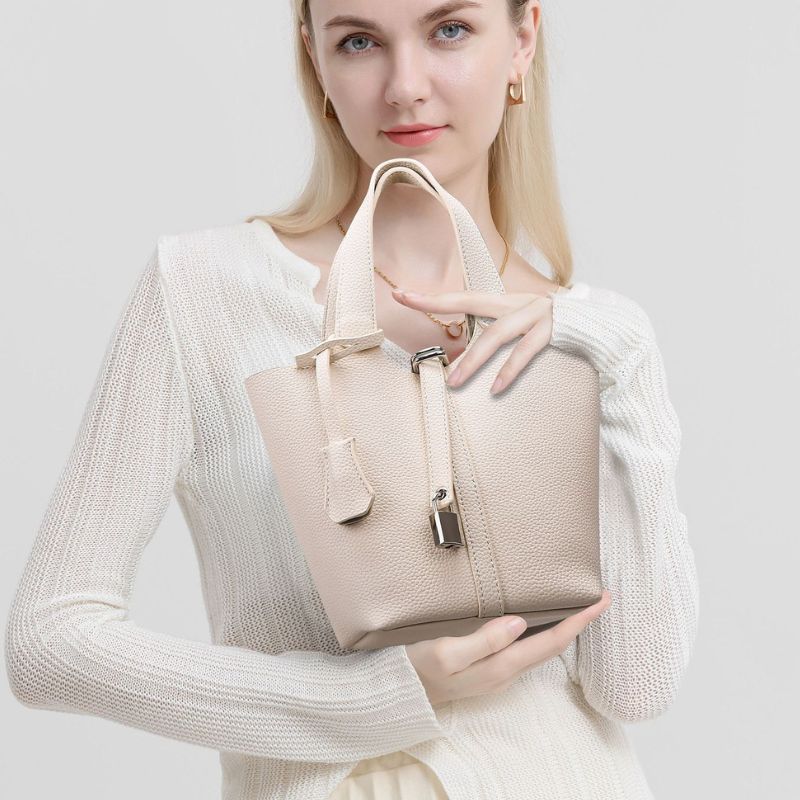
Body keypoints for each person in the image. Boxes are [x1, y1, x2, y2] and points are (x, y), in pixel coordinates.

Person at [5, 1, 700, 799]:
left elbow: (637, 686)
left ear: (523, 38)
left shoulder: (590, 338)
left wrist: (623, 361)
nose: (405, 87)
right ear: (316, 58)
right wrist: (375, 695)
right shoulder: (204, 293)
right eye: (360, 41)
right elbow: (49, 640)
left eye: (449, 30)